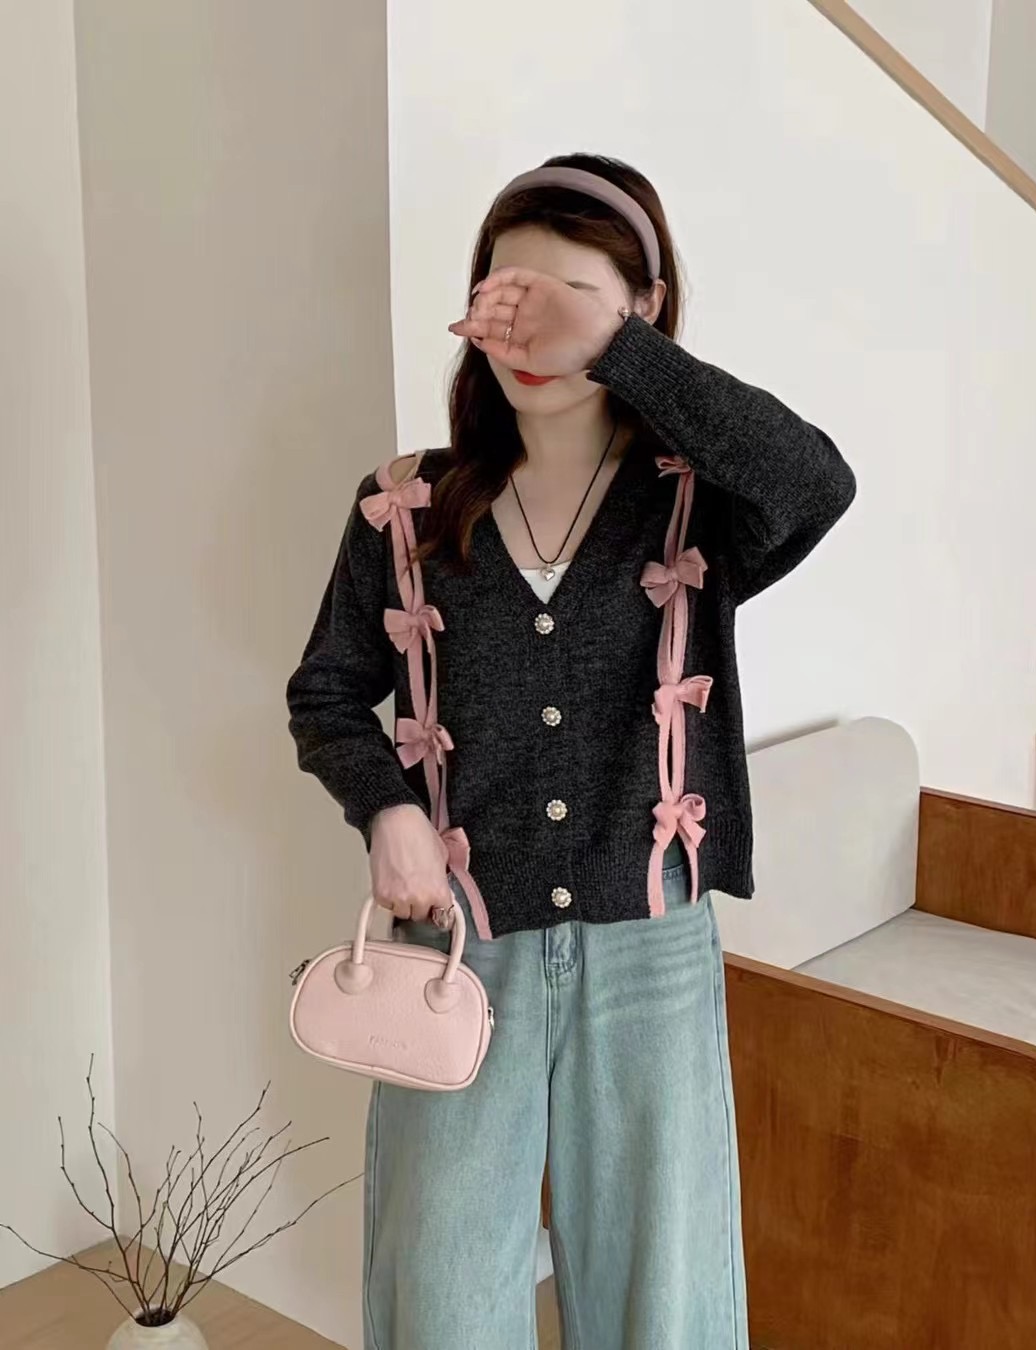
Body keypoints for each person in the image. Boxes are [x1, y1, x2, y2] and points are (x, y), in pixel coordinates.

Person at [286, 152, 856, 1350]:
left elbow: (817, 479)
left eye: (568, 301)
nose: (529, 331)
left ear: (642, 310)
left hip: (650, 954)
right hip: (457, 949)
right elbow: (328, 692)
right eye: (506, 297)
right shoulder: (404, 508)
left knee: (666, 1309)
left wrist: (621, 348)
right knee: (441, 1300)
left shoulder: (700, 506)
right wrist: (388, 809)